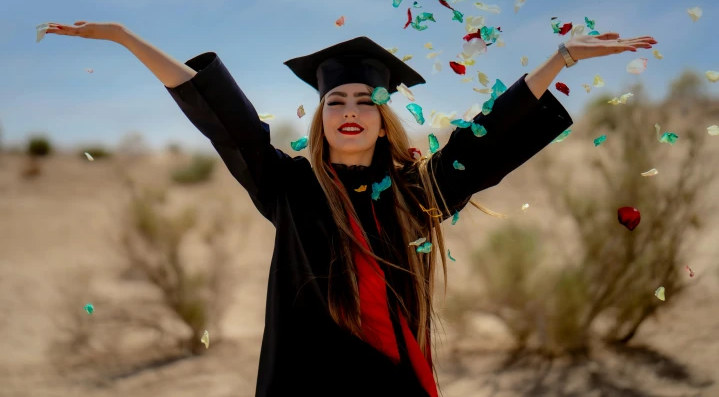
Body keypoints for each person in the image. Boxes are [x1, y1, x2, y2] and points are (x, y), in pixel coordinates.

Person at [44, 21, 656, 396]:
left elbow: (487, 140)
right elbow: (224, 119)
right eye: (335, 100)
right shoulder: (287, 186)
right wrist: (127, 39)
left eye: (365, 99)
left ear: (383, 114)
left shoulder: (420, 189)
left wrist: (562, 59)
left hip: (392, 380)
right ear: (321, 115)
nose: (350, 110)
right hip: (307, 383)